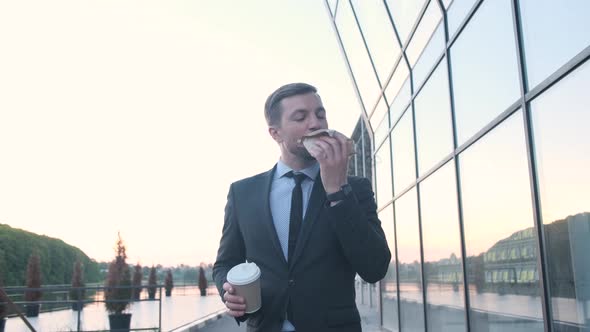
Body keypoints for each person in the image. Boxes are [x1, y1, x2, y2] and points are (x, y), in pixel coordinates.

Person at [212, 83, 391, 332]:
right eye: (301, 117)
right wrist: (228, 291)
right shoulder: (243, 193)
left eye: (320, 114)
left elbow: (375, 267)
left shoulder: (355, 188)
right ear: (276, 133)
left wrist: (336, 190)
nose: (316, 124)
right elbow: (225, 264)